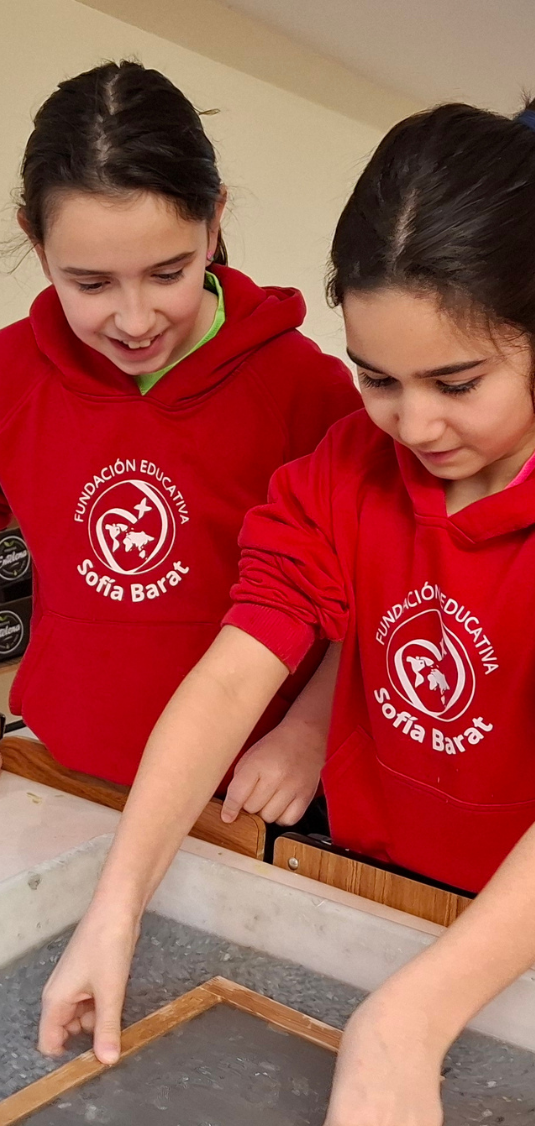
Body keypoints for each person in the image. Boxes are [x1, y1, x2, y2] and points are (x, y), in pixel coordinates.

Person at [38, 95, 535, 1126]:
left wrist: (418, 1012)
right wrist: (117, 903)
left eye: (455, 384)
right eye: (377, 379)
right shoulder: (347, 469)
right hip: (376, 901)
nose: (414, 427)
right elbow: (234, 672)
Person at [0, 60, 360, 819]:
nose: (135, 321)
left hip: (246, 796)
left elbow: (371, 597)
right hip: (63, 768)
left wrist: (308, 732)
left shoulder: (307, 390)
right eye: (91, 284)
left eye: (168, 273)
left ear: (214, 220)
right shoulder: (11, 374)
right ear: (35, 239)